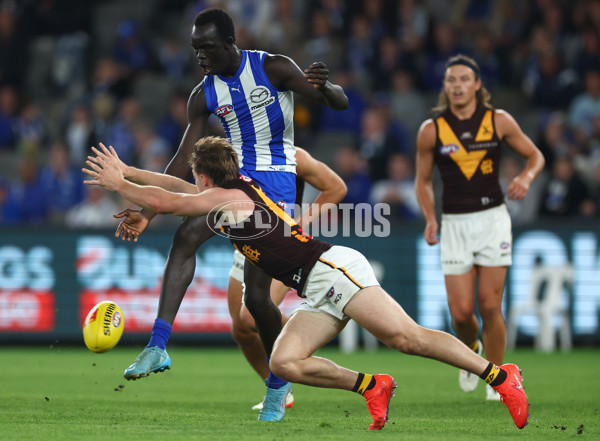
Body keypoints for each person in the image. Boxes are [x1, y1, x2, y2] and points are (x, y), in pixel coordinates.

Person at [83, 137, 530, 431]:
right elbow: (171, 187)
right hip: (314, 287)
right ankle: (372, 386)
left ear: (204, 177)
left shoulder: (229, 198)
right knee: (286, 363)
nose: (193, 185)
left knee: (405, 337)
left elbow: (165, 200)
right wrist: (130, 171)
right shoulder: (228, 190)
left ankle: (499, 374)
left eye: (195, 178)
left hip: (334, 270)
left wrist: (116, 184)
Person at [110, 8, 348, 422]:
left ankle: (278, 387)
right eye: (195, 49)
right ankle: (158, 345)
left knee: (256, 299)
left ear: (229, 42)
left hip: (275, 186)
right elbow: (183, 158)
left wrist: (326, 87)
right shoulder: (203, 94)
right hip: (235, 184)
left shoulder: (272, 67)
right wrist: (149, 211)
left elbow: (338, 102)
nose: (200, 57)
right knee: (185, 237)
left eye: (207, 48)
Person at [414, 54, 545, 401]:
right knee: (461, 315)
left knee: (490, 305)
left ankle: (498, 379)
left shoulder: (498, 120)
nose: (457, 85)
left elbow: (536, 157)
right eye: (450, 80)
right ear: (445, 87)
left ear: (477, 85)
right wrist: (430, 217)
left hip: (493, 221)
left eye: (463, 79)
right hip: (454, 223)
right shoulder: (432, 130)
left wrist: (526, 177)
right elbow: (423, 181)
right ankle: (469, 347)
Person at [227, 147, 347, 411]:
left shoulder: (292, 155)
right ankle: (279, 388)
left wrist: (300, 223)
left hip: (280, 246)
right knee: (241, 329)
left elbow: (336, 188)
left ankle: (310, 332)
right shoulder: (233, 153)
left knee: (250, 315)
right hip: (245, 246)